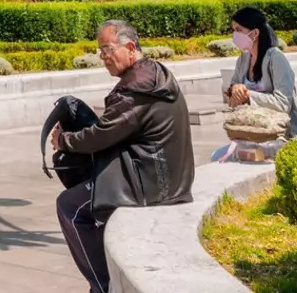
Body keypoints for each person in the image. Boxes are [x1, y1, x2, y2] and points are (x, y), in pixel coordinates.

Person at [50, 20, 195, 293]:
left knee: (70, 207)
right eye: (100, 52)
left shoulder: (134, 89)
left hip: (151, 182)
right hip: (169, 176)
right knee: (97, 210)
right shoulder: (154, 73)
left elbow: (102, 135)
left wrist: (63, 141)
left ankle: (103, 285)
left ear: (130, 47)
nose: (104, 58)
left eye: (108, 49)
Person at [211, 6, 297, 162]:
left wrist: (247, 95)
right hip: (251, 134)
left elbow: (283, 103)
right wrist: (235, 91)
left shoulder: (276, 58)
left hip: (280, 135)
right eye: (233, 29)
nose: (234, 35)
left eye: (239, 29)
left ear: (255, 33)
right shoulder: (243, 59)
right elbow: (233, 100)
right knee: (216, 157)